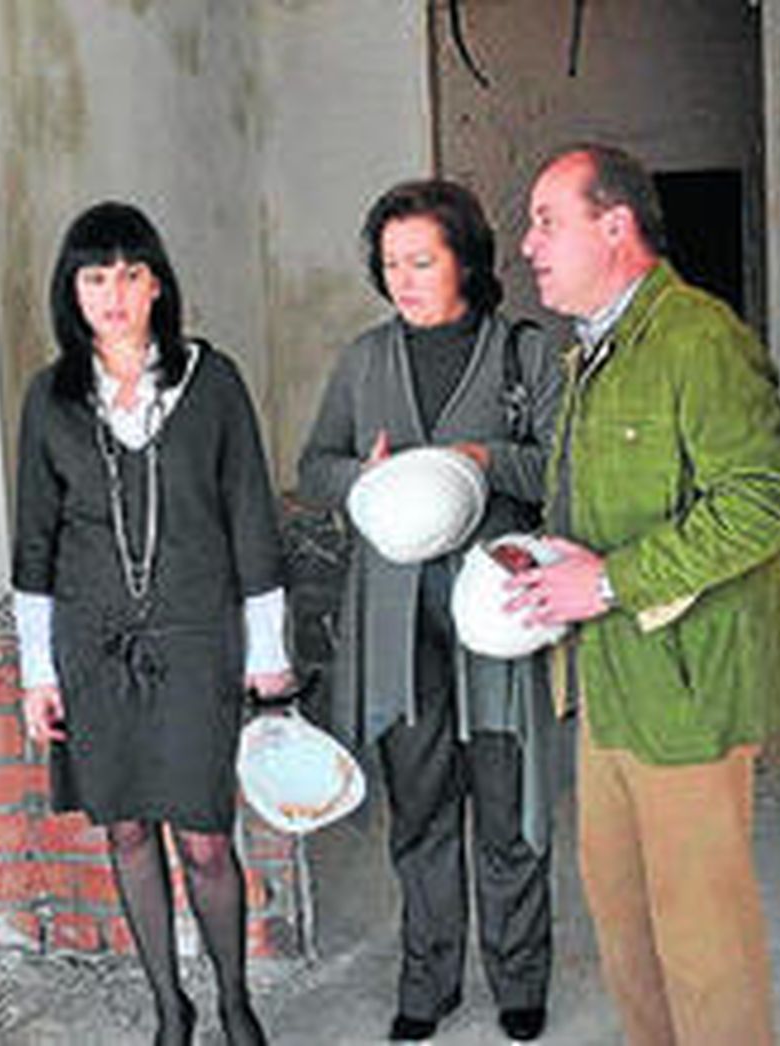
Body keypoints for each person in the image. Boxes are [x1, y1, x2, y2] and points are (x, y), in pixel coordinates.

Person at [508, 144, 780, 1045]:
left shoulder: (699, 337)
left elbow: (762, 504)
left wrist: (607, 578)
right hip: (609, 679)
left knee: (701, 935)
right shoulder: (591, 353)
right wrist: (556, 557)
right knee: (624, 922)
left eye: (546, 220)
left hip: (689, 690)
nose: (528, 245)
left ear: (616, 227)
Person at [12, 202, 293, 1046]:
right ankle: (170, 1009)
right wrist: (38, 672)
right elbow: (36, 538)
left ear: (158, 284)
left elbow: (250, 515)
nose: (114, 294)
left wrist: (269, 653)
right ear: (73, 290)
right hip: (93, 650)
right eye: (95, 277)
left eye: (131, 274)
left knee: (205, 836)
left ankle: (234, 1001)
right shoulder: (52, 397)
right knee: (129, 828)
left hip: (197, 644)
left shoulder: (213, 383)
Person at [297, 179, 562, 1043]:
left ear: (467, 261)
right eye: (389, 265)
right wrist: (360, 478)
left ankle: (520, 976)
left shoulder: (523, 354)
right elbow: (316, 467)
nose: (403, 279)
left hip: (496, 607)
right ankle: (429, 977)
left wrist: (487, 460)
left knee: (506, 794)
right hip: (397, 616)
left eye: (422, 261)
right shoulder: (364, 361)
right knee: (419, 804)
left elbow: (562, 468)